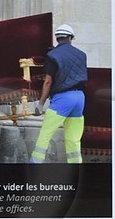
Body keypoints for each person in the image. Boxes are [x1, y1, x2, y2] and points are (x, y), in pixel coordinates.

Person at [31, 20, 86, 163]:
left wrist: (40, 104)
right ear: (70, 38)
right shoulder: (82, 55)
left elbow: (48, 81)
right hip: (80, 98)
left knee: (45, 133)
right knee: (73, 139)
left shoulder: (52, 55)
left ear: (57, 38)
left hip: (63, 99)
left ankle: (34, 166)